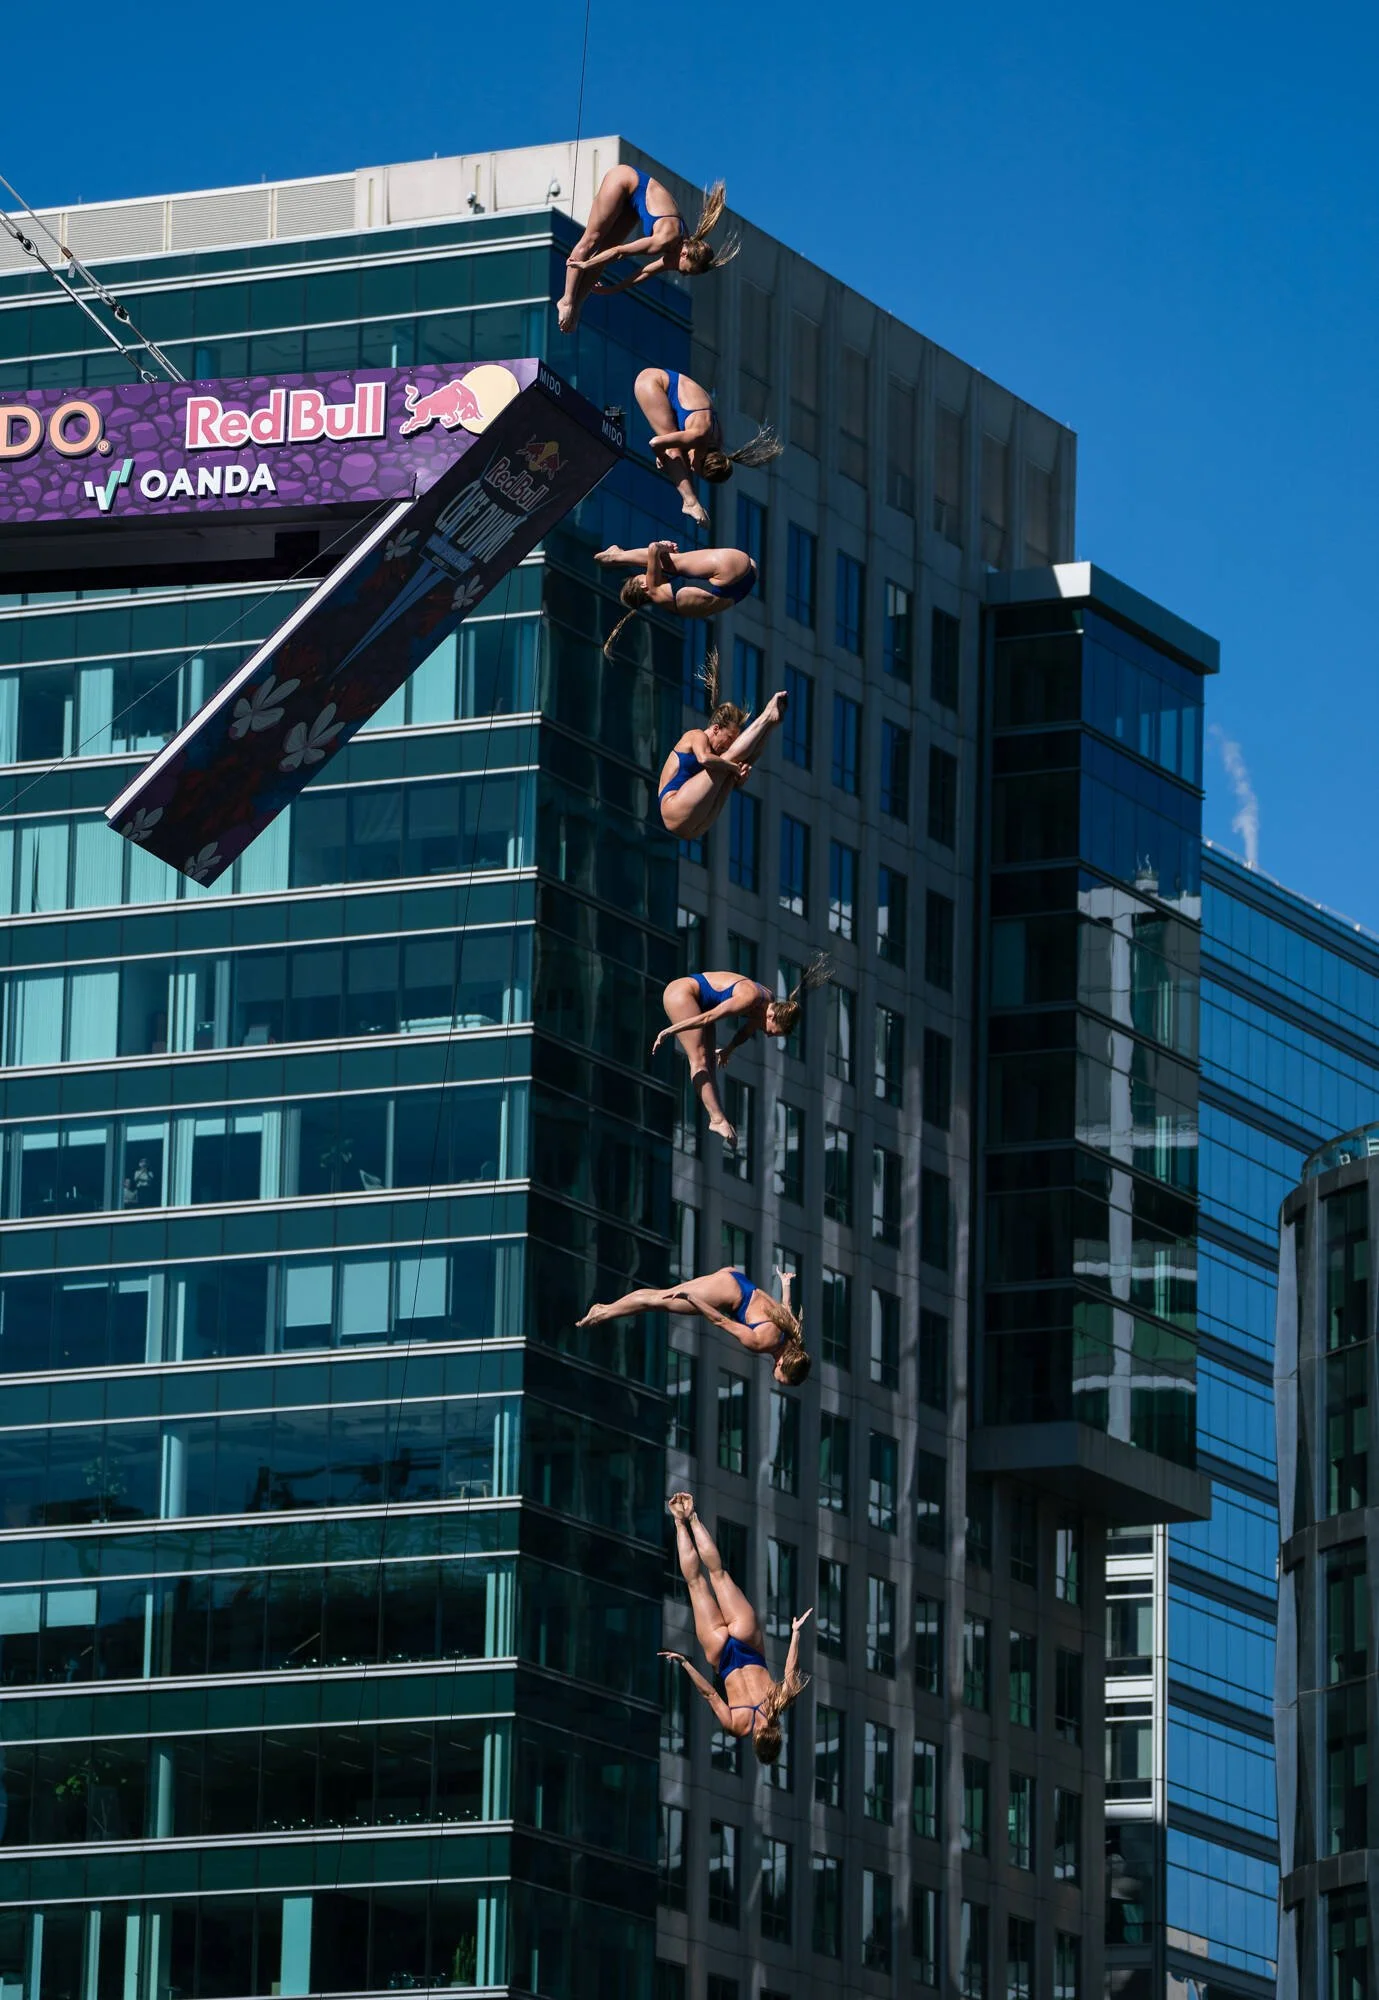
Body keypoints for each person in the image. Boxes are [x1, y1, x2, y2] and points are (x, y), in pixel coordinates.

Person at [659, 1493, 810, 1764]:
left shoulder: (777, 1703)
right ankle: (680, 1521)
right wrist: (685, 1663)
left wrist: (796, 1634)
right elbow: (710, 1693)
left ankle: (692, 1516)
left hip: (747, 1642)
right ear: (756, 1742)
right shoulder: (737, 1727)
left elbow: (791, 1671)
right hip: (722, 1655)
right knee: (695, 1583)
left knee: (718, 1573)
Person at [652, 954, 832, 1144]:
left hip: (702, 1003)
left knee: (710, 1063)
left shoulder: (766, 1002)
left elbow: (744, 1032)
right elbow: (707, 1018)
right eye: (771, 1032)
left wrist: (728, 1050)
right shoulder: (750, 997)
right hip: (682, 994)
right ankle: (717, 1120)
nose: (768, 1035)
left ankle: (719, 1118)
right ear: (772, 1017)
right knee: (699, 1060)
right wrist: (669, 1031)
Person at [556, 170, 735, 334]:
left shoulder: (678, 250)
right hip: (623, 179)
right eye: (685, 270)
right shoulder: (664, 240)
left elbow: (645, 272)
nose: (682, 274)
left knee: (604, 254)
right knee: (591, 239)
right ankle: (567, 300)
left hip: (635, 202)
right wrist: (585, 264)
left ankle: (576, 307)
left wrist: (612, 289)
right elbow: (619, 252)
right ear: (684, 255)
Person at [577, 1265, 809, 1384]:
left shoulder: (792, 1335)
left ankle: (606, 1310)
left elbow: (786, 1307)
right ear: (781, 1363)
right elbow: (720, 1320)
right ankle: (603, 1312)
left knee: (658, 1299)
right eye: (781, 1377)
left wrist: (785, 1284)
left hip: (737, 1279)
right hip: (727, 1291)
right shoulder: (761, 1343)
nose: (777, 1377)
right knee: (658, 1301)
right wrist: (693, 1300)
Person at [656, 650, 786, 839]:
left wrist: (738, 776)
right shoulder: (696, 735)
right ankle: (766, 716)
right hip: (673, 805)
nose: (729, 745)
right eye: (729, 738)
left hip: (694, 828)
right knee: (730, 760)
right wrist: (732, 766)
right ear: (716, 729)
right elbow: (703, 758)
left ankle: (770, 725)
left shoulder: (720, 761)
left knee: (736, 766)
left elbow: (732, 768)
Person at [633, 366, 782, 524]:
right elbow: (655, 443)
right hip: (650, 382)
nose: (692, 468)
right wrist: (662, 456)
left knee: (678, 453)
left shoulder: (716, 441)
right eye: (696, 469)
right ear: (702, 458)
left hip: (671, 383)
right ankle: (690, 502)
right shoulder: (699, 436)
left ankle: (690, 499)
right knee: (673, 451)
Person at [597, 542, 757, 657]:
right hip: (730, 570)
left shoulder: (668, 601)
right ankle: (616, 556)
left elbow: (698, 589)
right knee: (666, 562)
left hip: (742, 586)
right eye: (644, 575)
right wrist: (665, 546)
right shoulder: (653, 589)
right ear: (644, 585)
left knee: (670, 563)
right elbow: (653, 548)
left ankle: (617, 556)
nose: (648, 572)